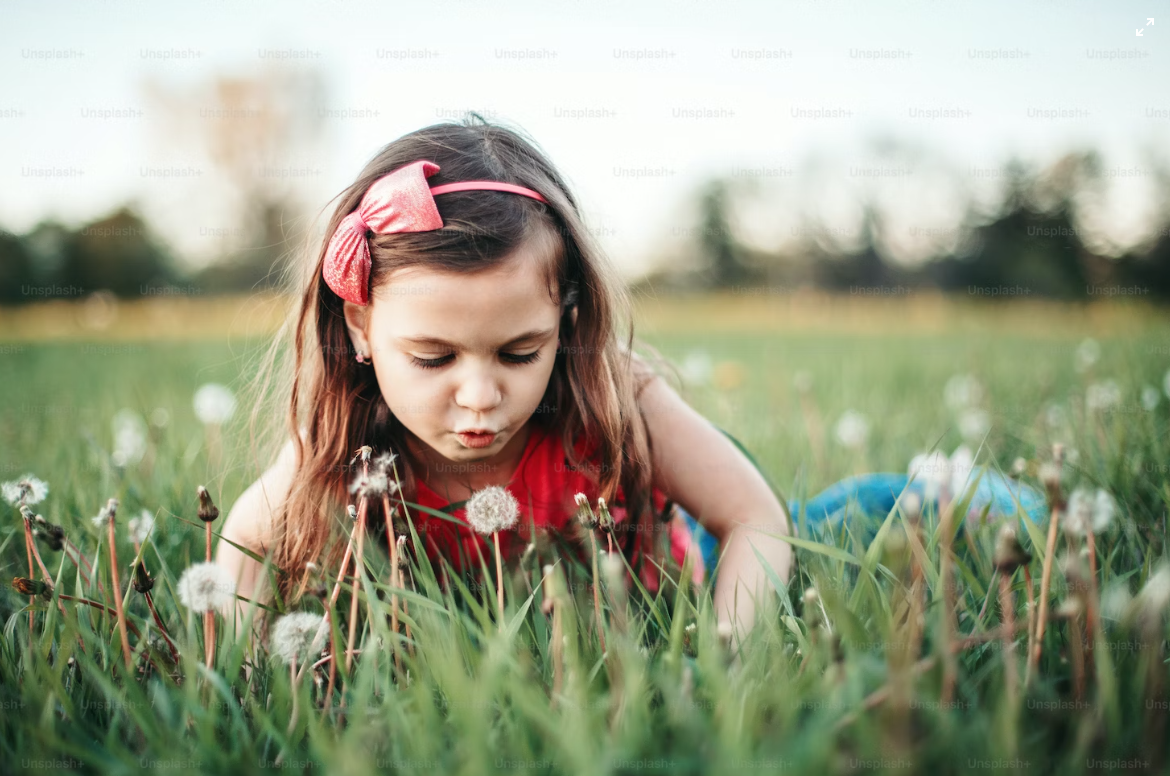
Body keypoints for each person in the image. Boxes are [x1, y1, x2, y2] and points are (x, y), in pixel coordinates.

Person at [214, 117, 794, 645]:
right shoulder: (348, 440)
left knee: (864, 509)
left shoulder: (612, 391)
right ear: (361, 326)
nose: (480, 397)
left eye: (519, 354)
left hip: (682, 549)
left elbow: (753, 517)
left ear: (565, 324)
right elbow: (247, 544)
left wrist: (726, 659)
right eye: (433, 359)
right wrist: (244, 670)